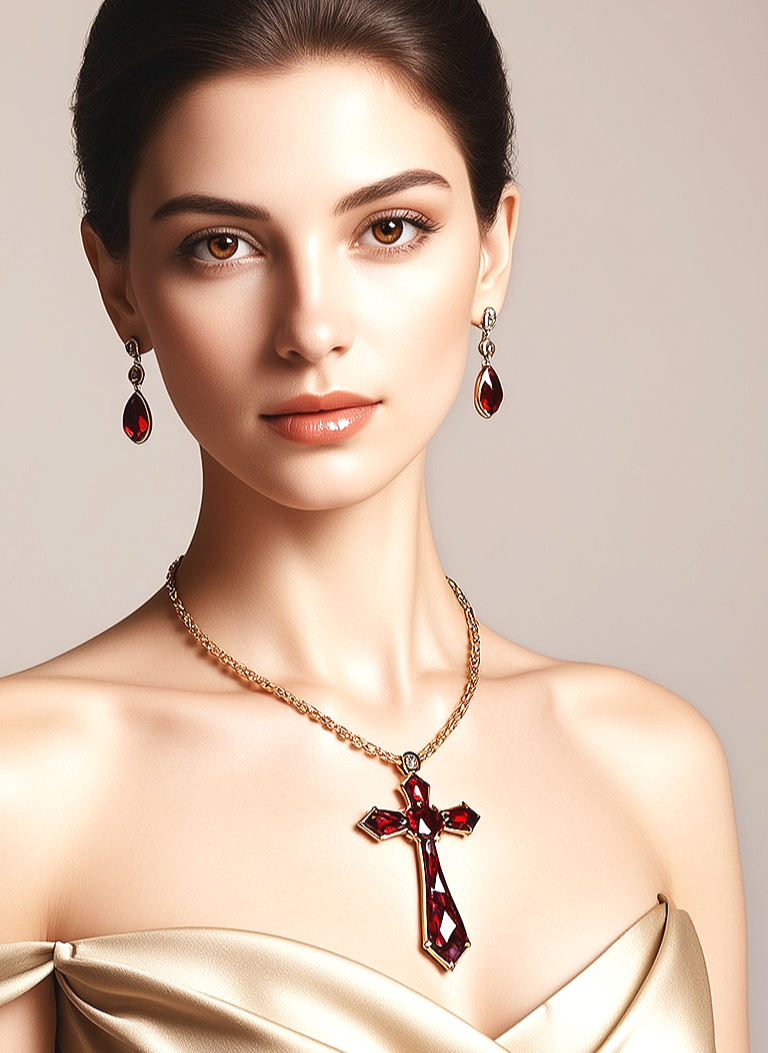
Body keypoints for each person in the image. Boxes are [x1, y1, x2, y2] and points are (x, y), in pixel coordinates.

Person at [0, 0, 749, 1049]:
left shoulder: (653, 764)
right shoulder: (25, 787)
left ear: (493, 251)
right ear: (118, 281)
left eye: (388, 229)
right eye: (221, 245)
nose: (313, 329)